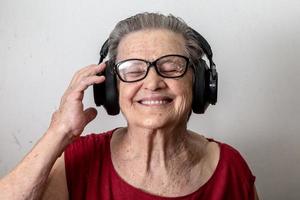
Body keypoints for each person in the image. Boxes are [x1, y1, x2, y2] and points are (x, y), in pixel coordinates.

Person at [0, 12, 259, 199]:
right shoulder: (77, 161)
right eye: (133, 70)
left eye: (171, 67)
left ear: (198, 82)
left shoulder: (231, 168)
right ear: (112, 88)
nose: (153, 82)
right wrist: (60, 131)